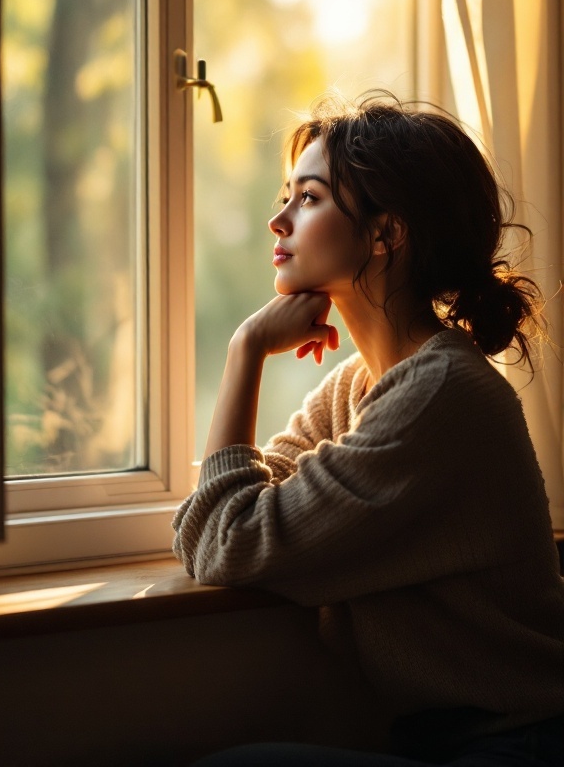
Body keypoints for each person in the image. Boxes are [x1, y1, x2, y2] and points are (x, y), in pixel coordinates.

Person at [173, 94, 564, 766]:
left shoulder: (439, 396)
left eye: (309, 198)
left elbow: (224, 542)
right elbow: (217, 524)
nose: (278, 219)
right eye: (287, 196)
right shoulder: (365, 385)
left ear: (386, 234)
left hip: (517, 744)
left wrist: (244, 348)